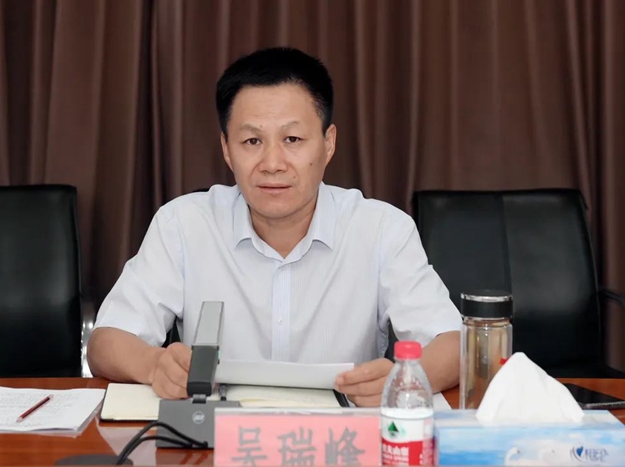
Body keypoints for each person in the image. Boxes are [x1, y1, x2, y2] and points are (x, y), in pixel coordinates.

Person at [88, 47, 461, 407]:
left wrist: (404, 379)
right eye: (252, 141)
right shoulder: (182, 225)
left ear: (328, 143)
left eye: (292, 139)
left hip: (339, 436)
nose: (272, 163)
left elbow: (453, 344)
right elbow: (106, 342)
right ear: (226, 148)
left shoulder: (382, 230)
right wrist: (155, 365)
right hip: (217, 435)